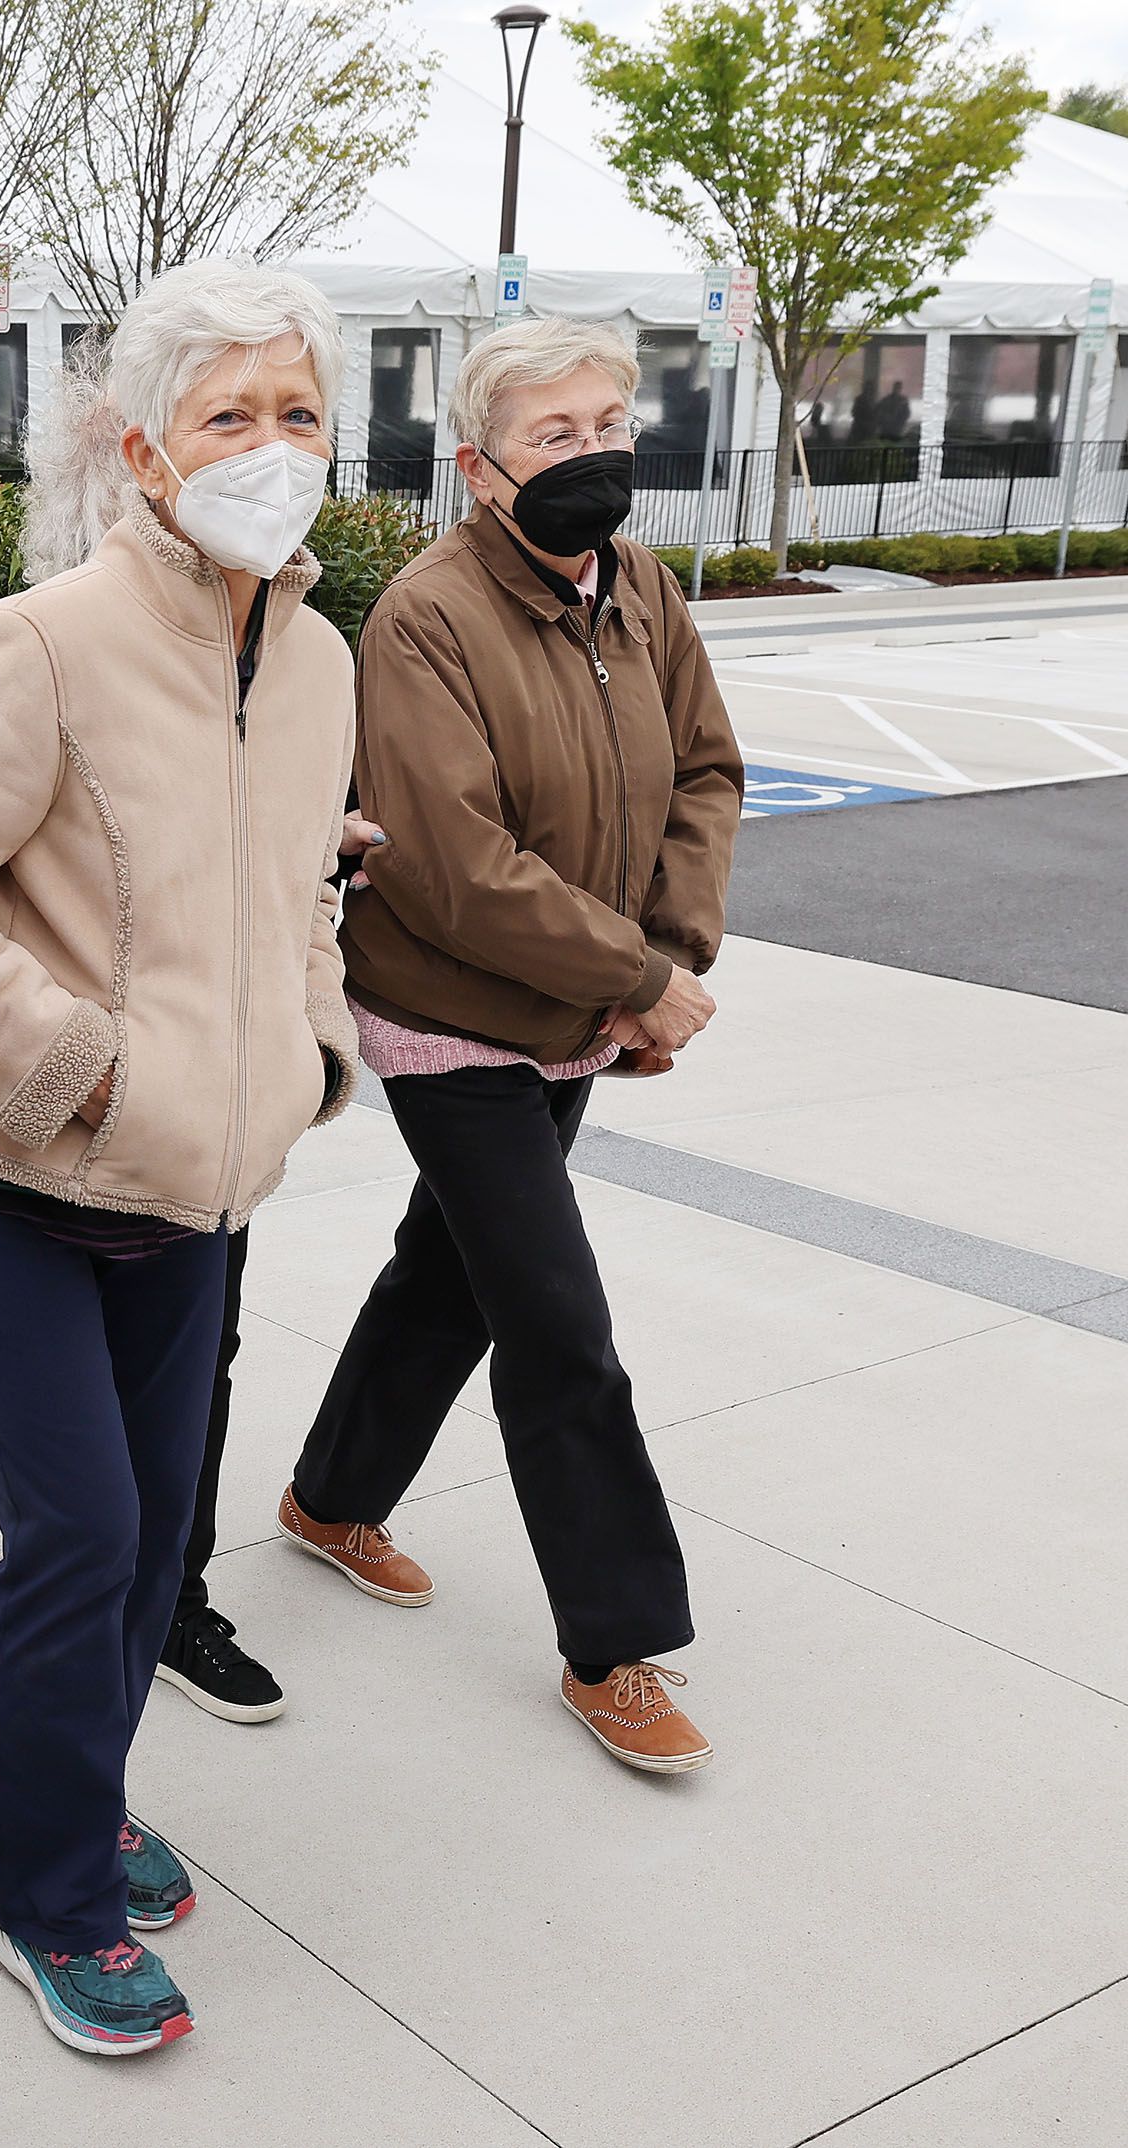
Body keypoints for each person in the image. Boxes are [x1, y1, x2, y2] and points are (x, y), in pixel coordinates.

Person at [0, 260, 365, 2056]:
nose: (270, 445)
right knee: (78, 1531)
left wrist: (307, 1047)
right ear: (142, 447)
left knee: (157, 1534)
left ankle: (76, 1789)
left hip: (203, 1192)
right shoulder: (47, 638)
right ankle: (50, 1894)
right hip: (21, 1180)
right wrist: (73, 1064)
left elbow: (299, 884)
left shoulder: (317, 654)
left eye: (298, 410)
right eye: (229, 412)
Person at [286, 316, 741, 1775]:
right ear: (480, 468)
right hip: (454, 1021)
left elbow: (708, 774)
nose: (599, 451)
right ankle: (615, 1642)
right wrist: (633, 979)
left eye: (612, 421)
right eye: (557, 434)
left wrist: (658, 966)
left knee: (454, 1277)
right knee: (557, 1324)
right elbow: (448, 863)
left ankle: (330, 1500)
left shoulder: (644, 588)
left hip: (578, 1011)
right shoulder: (424, 617)